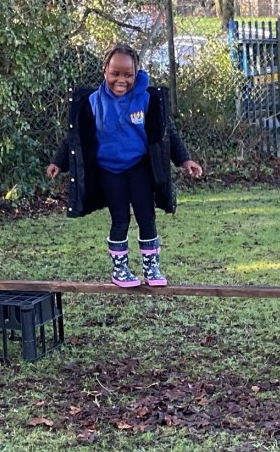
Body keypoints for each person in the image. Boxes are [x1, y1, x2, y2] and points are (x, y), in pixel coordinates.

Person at [47, 43, 203, 287]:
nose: (121, 80)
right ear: (105, 70)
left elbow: (167, 133)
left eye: (128, 75)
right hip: (109, 171)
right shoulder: (93, 102)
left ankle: (151, 268)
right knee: (120, 218)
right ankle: (120, 269)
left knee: (146, 216)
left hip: (138, 168)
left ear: (136, 73)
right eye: (115, 73)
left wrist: (185, 159)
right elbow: (75, 136)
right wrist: (58, 161)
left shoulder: (147, 99)